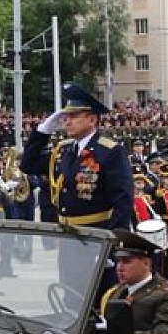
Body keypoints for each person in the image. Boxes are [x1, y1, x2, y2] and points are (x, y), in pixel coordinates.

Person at [20, 82, 134, 231]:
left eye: (73, 116)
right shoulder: (63, 150)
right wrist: (43, 131)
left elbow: (123, 200)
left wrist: (115, 240)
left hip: (96, 234)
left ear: (92, 120)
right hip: (67, 236)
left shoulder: (110, 151)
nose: (67, 121)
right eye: (66, 117)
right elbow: (28, 164)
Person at [98, 229, 168, 334]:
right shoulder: (116, 291)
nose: (119, 268)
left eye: (127, 262)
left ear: (146, 263)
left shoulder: (166, 295)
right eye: (118, 261)